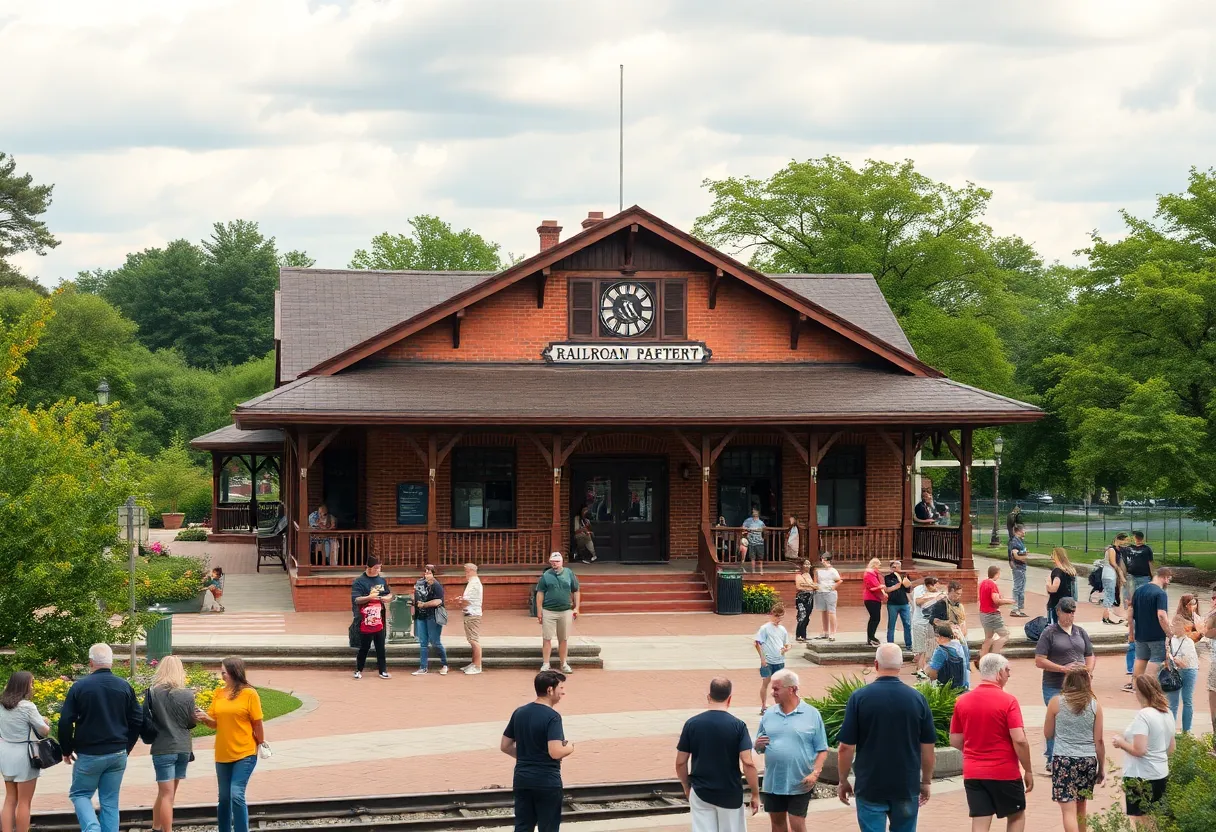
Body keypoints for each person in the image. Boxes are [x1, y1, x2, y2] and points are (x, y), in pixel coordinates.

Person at [836, 644, 936, 832]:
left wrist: (843, 780)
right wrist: (926, 781)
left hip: (870, 784)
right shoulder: (917, 699)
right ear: (900, 665)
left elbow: (846, 747)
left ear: (876, 664)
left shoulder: (859, 698)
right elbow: (927, 747)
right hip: (906, 784)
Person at [58, 643, 142, 832]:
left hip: (89, 753)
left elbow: (65, 721)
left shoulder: (80, 687)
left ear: (90, 663)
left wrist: (66, 749)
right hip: (118, 752)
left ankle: (92, 828)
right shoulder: (124, 686)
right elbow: (137, 719)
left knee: (80, 793)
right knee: (110, 801)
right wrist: (126, 746)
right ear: (111, 662)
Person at [949, 654, 1034, 832]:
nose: (1009, 675)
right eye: (1007, 670)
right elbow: (1019, 739)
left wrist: (974, 751)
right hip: (1004, 771)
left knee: (980, 820)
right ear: (999, 673)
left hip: (973, 772)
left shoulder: (962, 701)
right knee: (1016, 816)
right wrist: (1028, 769)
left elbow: (955, 739)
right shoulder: (1008, 701)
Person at [675, 677, 761, 831]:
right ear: (730, 698)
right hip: (730, 793)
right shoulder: (738, 726)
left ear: (709, 696)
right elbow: (748, 763)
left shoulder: (692, 724)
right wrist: (755, 794)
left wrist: (686, 787)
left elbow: (680, 762)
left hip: (700, 791)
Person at [193, 658, 264, 832]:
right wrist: (204, 718)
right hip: (223, 753)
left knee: (236, 794)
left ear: (233, 672)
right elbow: (215, 723)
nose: (222, 674)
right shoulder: (219, 693)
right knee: (223, 798)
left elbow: (257, 723)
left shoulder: (249, 694)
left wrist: (260, 743)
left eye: (224, 671)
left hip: (245, 752)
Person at [754, 670, 828, 832]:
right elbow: (759, 746)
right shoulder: (769, 714)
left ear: (792, 689)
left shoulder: (811, 714)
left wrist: (815, 773)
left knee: (797, 824)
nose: (772, 693)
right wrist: (758, 745)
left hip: (800, 782)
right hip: (774, 782)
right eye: (772, 689)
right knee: (777, 825)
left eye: (776, 689)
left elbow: (822, 749)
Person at [501, 670, 573, 832]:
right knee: (548, 827)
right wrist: (570, 748)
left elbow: (505, 746)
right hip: (546, 780)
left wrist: (527, 756)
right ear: (550, 690)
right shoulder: (553, 717)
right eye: (561, 687)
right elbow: (555, 752)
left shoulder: (519, 712)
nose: (563, 692)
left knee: (523, 826)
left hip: (522, 778)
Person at [1033, 597, 1095, 767]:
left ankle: (1072, 754)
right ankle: (1053, 758)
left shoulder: (1080, 632)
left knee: (1078, 717)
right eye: (1067, 612)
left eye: (1073, 612)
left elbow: (1090, 654)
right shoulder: (1049, 633)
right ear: (1058, 611)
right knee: (1058, 718)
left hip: (1079, 685)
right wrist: (1063, 669)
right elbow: (1039, 660)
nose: (1070, 616)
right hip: (1055, 685)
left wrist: (1088, 670)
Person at [1042, 667, 1104, 832]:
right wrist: (1101, 768)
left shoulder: (1057, 702)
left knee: (1068, 810)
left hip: (1064, 759)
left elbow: (1047, 733)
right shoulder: (1094, 706)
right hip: (1087, 759)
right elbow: (1099, 741)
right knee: (1081, 807)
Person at [1111, 676, 1175, 824]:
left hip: (1141, 775)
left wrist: (1121, 742)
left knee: (1142, 821)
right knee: (1155, 819)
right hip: (1160, 773)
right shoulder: (1167, 713)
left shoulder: (1143, 715)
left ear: (1140, 692)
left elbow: (1139, 750)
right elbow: (1171, 748)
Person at [145, 656, 198, 832]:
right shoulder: (187, 694)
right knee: (168, 794)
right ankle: (155, 827)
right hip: (183, 747)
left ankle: (164, 830)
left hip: (162, 747)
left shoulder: (152, 692)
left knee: (165, 794)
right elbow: (191, 723)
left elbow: (145, 719)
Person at [0, 671, 51, 832]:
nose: (32, 686)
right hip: (24, 755)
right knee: (24, 801)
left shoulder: (1, 704)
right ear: (23, 686)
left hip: (5, 752)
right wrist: (45, 722)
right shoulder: (28, 706)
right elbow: (44, 731)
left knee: (9, 799)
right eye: (31, 683)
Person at [1128, 567, 1173, 691]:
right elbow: (1161, 615)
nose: (1168, 583)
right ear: (1165, 577)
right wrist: (1169, 633)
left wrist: (1131, 632)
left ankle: (1136, 686)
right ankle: (1150, 689)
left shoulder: (1139, 591)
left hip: (1140, 634)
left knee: (1140, 659)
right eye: (1168, 579)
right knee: (1156, 660)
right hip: (1156, 635)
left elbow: (1130, 613)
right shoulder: (1160, 593)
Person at [536, 553, 580, 674]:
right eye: (552, 561)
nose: (554, 563)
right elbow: (540, 593)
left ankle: (564, 663)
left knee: (564, 638)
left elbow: (576, 590)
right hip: (549, 610)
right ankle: (545, 663)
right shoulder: (546, 575)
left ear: (562, 562)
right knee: (547, 638)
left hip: (565, 610)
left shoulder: (569, 573)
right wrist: (539, 611)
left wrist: (577, 607)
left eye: (557, 561)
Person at [351, 556, 392, 680]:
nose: (378, 570)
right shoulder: (359, 581)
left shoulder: (381, 580)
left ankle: (383, 670)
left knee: (380, 646)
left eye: (379, 567)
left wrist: (388, 598)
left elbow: (389, 593)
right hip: (365, 619)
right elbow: (356, 599)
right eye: (376, 568)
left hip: (379, 618)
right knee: (364, 646)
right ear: (368, 568)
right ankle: (358, 670)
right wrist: (369, 597)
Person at [411, 564, 449, 676]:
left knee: (435, 641)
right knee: (423, 642)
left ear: (434, 574)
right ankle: (423, 667)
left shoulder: (437, 586)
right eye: (426, 572)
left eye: (429, 572)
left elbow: (438, 601)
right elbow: (416, 596)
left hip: (433, 616)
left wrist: (424, 605)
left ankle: (445, 664)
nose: (427, 574)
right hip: (421, 616)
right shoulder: (420, 583)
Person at [755, 605, 792, 715]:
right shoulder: (765, 628)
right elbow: (757, 643)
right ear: (772, 615)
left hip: (779, 660)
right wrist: (762, 659)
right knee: (765, 683)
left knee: (780, 685)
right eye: (777, 617)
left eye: (781, 617)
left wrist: (786, 648)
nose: (778, 620)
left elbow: (787, 644)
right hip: (768, 661)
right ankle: (763, 705)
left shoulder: (782, 629)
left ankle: (779, 705)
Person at [1165, 616, 1199, 733]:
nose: (1174, 628)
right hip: (1175, 671)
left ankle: (1187, 730)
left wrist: (1174, 659)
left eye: (1177, 626)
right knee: (1172, 702)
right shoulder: (1171, 640)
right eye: (1173, 625)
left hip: (1189, 670)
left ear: (1183, 628)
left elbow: (1185, 663)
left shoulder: (1189, 642)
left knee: (1187, 700)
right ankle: (1171, 731)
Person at [928, 581, 970, 670]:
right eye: (957, 594)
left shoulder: (959, 605)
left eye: (960, 594)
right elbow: (932, 620)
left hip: (959, 636)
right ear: (951, 591)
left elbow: (963, 621)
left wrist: (962, 632)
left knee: (964, 659)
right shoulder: (941, 604)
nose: (959, 596)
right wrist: (947, 625)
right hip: (946, 637)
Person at [911, 576, 944, 680]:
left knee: (930, 647)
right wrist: (933, 597)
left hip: (930, 622)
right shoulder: (919, 589)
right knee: (921, 649)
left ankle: (923, 669)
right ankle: (920, 670)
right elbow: (918, 602)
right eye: (935, 586)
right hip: (919, 622)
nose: (936, 588)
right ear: (929, 585)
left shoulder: (937, 591)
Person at [978, 565, 1013, 662]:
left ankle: (982, 659)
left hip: (983, 614)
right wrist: (1008, 601)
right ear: (996, 574)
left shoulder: (983, 583)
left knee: (988, 638)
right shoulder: (992, 585)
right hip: (992, 614)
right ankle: (994, 657)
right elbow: (996, 600)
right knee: (1004, 635)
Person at [458, 562, 484, 675]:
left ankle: (478, 665)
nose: (466, 573)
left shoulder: (474, 583)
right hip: (470, 613)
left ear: (472, 571)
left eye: (467, 571)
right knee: (471, 639)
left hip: (473, 614)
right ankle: (474, 663)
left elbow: (467, 601)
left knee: (474, 640)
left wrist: (460, 602)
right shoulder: (472, 583)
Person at [927, 625, 969, 690]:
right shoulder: (960, 645)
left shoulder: (940, 651)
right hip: (961, 685)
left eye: (937, 636)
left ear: (942, 637)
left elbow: (933, 673)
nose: (936, 639)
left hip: (946, 688)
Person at [883, 559, 913, 650]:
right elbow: (888, 589)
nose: (896, 569)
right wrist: (898, 581)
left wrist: (904, 580)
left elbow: (908, 589)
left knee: (907, 624)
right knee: (891, 624)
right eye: (894, 567)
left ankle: (909, 644)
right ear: (891, 568)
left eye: (898, 567)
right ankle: (890, 645)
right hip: (892, 604)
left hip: (904, 603)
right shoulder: (888, 577)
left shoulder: (905, 576)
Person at [812, 554, 842, 641]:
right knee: (823, 612)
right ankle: (825, 631)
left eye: (825, 560)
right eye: (822, 559)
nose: (824, 561)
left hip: (830, 593)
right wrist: (814, 587)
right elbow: (815, 581)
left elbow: (839, 580)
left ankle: (832, 632)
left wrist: (833, 587)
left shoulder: (833, 570)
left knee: (831, 612)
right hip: (820, 592)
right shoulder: (817, 570)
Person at [1044, 548, 1078, 625]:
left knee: (1054, 629)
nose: (1051, 557)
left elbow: (1053, 589)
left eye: (1053, 555)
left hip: (1056, 604)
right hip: (1069, 603)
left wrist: (1048, 582)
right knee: (1067, 627)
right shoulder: (1071, 571)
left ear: (1057, 556)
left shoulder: (1057, 571)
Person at [1100, 535, 1126, 625]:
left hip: (1111, 575)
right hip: (1109, 575)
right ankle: (1108, 617)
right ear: (1118, 540)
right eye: (1124, 541)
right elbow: (1112, 562)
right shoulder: (1112, 549)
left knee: (1110, 595)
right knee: (1109, 596)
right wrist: (1120, 572)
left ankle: (1106, 617)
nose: (1125, 543)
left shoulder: (1117, 549)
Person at [1125, 531, 1155, 597]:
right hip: (1131, 575)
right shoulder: (1128, 548)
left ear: (1135, 538)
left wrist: (1153, 575)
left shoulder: (1146, 549)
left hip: (1143, 576)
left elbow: (1150, 563)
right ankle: (1133, 605)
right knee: (1132, 595)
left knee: (1141, 595)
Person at [1007, 525, 1029, 618]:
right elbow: (1015, 555)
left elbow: (1021, 553)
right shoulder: (1015, 542)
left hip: (1022, 567)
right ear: (1018, 531)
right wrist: (1024, 558)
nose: (1025, 532)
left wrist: (1025, 554)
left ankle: (1018, 609)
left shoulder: (1020, 541)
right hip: (1018, 567)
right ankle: (1015, 609)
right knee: (1017, 588)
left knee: (1021, 588)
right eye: (1023, 530)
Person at [862, 559, 884, 647]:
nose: (880, 567)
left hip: (874, 598)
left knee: (874, 618)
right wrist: (881, 587)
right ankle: (871, 637)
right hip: (871, 598)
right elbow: (873, 587)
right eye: (879, 565)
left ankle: (871, 637)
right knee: (875, 618)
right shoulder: (870, 574)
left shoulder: (872, 574)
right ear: (874, 565)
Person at [793, 561, 817, 643]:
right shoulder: (799, 576)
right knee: (802, 615)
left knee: (807, 617)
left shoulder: (810, 575)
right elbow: (799, 586)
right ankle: (798, 635)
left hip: (810, 598)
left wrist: (806, 585)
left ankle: (804, 635)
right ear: (802, 565)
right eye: (805, 564)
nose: (807, 565)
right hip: (802, 598)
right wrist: (810, 585)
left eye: (809, 564)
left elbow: (816, 586)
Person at [742, 507, 766, 574]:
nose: (754, 513)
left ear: (758, 513)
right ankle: (753, 570)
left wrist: (762, 535)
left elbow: (765, 530)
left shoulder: (761, 523)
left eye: (755, 511)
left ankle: (761, 570)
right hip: (751, 542)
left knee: (760, 557)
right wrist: (748, 530)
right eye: (753, 511)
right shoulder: (748, 520)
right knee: (752, 557)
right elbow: (743, 527)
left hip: (759, 542)